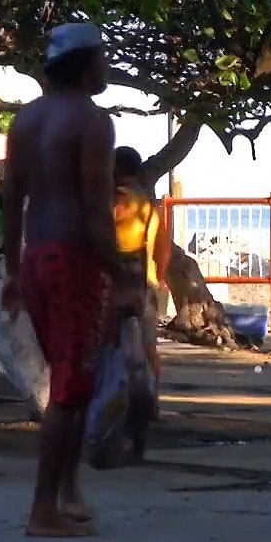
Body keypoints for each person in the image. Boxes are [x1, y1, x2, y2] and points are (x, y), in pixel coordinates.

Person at [1, 23, 128, 537]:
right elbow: (98, 212)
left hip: (38, 259)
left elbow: (12, 201)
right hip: (75, 260)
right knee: (70, 390)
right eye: (104, 57)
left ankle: (67, 491)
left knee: (70, 379)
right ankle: (43, 511)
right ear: (86, 63)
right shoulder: (92, 122)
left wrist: (13, 270)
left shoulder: (25, 121)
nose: (109, 66)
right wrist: (123, 275)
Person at [113, 146, 171, 415]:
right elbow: (164, 248)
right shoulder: (150, 207)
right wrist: (157, 279)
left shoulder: (116, 202)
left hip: (119, 286)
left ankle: (125, 402)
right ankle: (153, 402)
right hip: (147, 284)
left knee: (116, 345)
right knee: (149, 347)